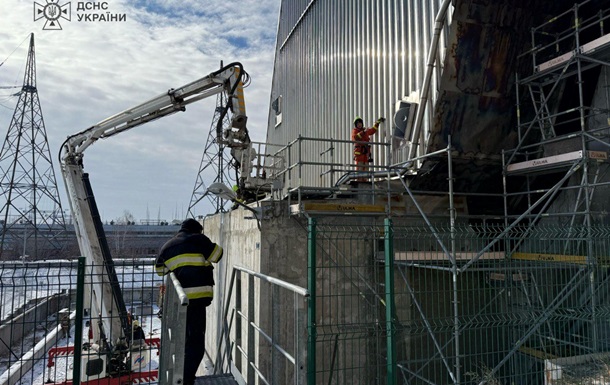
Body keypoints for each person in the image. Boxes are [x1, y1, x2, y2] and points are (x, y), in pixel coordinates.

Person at [155, 218, 223, 385]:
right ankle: (186, 380)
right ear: (197, 230)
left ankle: (181, 377)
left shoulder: (168, 246)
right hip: (198, 302)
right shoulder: (199, 240)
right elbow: (218, 255)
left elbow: (160, 270)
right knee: (196, 345)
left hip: (178, 302)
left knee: (183, 342)